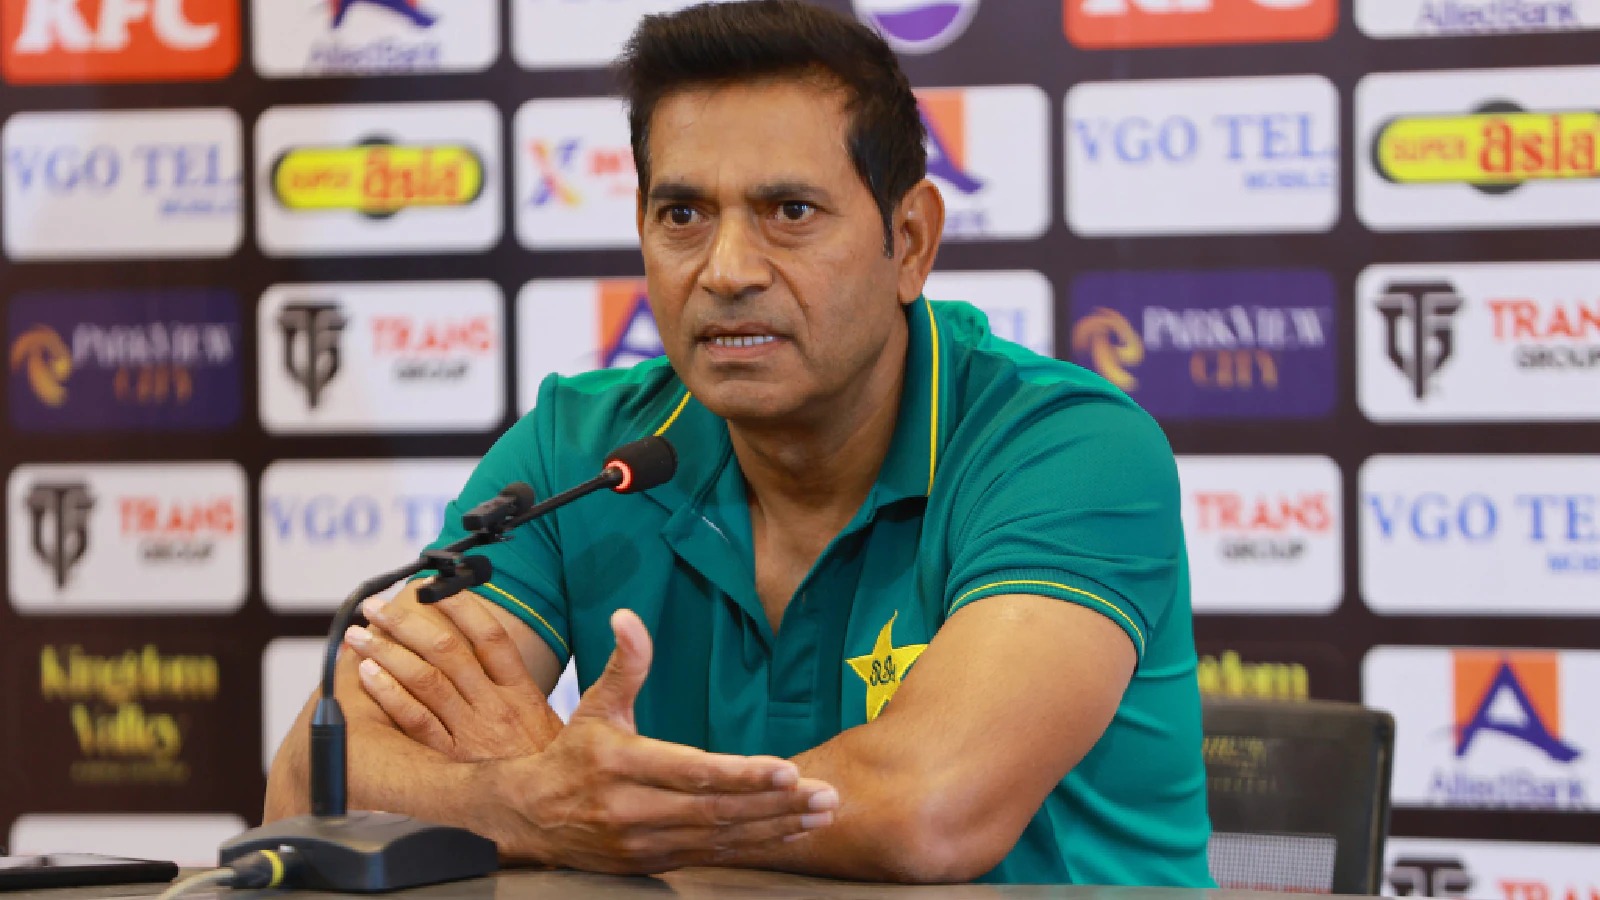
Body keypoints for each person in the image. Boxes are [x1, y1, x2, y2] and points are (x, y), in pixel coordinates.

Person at [264, 0, 1212, 885]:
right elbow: (313, 775)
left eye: (789, 213)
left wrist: (595, 808)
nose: (726, 271)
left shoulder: (1066, 447)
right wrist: (531, 797)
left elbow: (929, 809)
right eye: (682, 215)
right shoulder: (579, 451)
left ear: (912, 240)